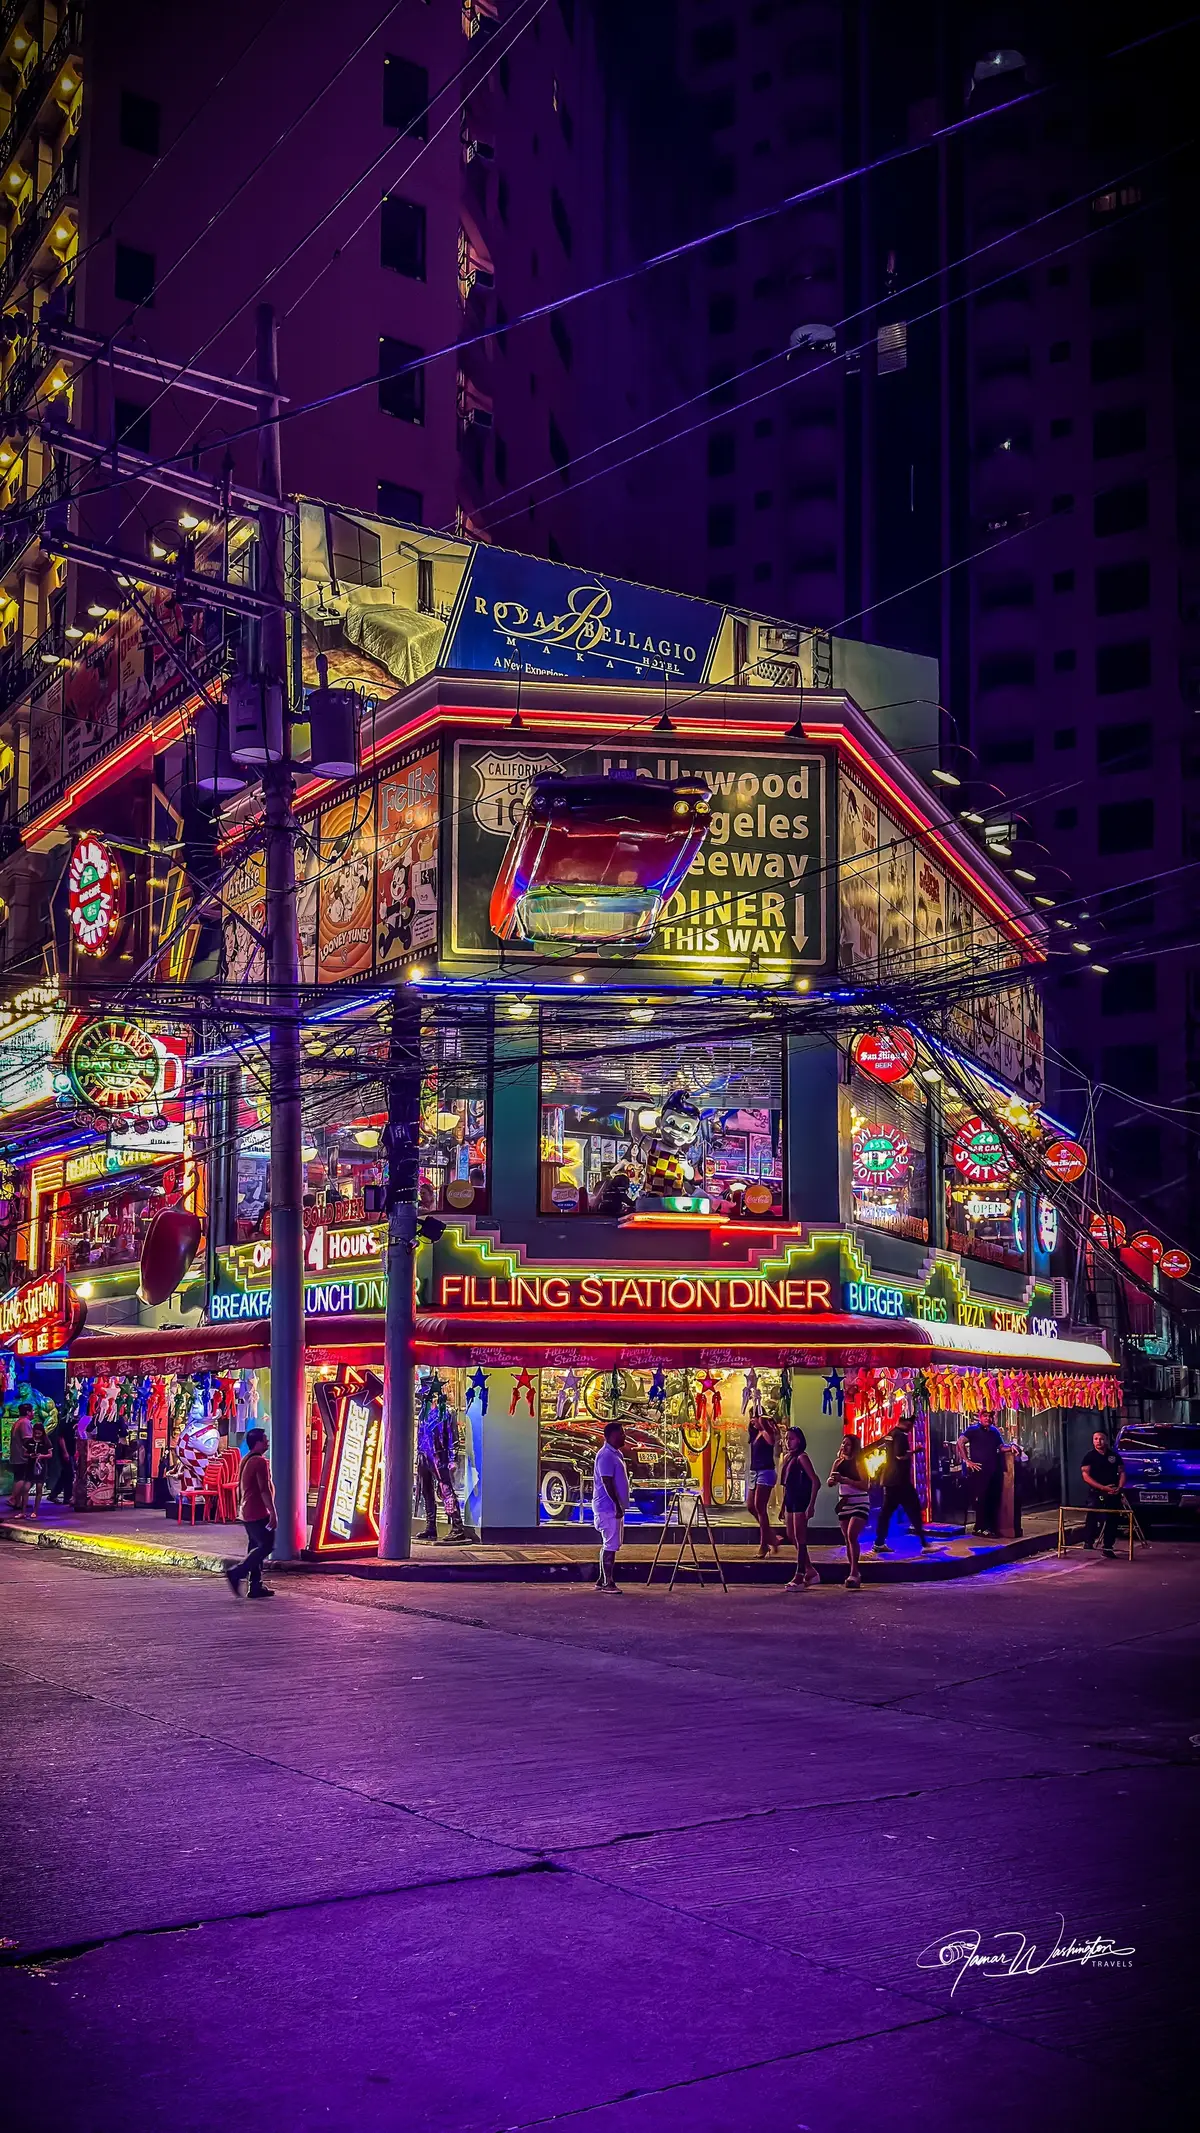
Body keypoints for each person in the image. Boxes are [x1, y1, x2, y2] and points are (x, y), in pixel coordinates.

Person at [224, 1428, 277, 1599]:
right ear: (258, 1442)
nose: (267, 1441)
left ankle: (255, 1586)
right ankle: (237, 1572)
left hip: (246, 1510)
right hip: (257, 1511)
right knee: (266, 1545)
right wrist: (273, 1511)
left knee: (255, 1546)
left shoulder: (246, 1459)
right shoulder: (259, 1462)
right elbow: (264, 1489)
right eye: (265, 1439)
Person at [874, 1425, 929, 1552]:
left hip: (890, 1480)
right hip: (899, 1481)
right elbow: (900, 1455)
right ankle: (925, 1544)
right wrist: (916, 1450)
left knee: (886, 1513)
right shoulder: (900, 1435)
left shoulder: (891, 1433)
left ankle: (879, 1542)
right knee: (914, 1510)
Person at [827, 1433, 871, 1590]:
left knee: (852, 1534)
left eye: (848, 1444)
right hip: (844, 1503)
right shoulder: (838, 1462)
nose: (844, 1446)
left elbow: (865, 1485)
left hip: (860, 1502)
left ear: (854, 1447)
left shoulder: (859, 1462)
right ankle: (854, 1571)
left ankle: (854, 1572)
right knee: (847, 1538)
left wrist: (845, 1480)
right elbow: (830, 1481)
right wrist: (832, 1481)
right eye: (843, 1443)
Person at [780, 1426, 821, 1590]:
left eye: (791, 1438)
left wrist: (811, 1505)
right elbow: (786, 1484)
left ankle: (800, 1574)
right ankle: (810, 1570)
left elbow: (815, 1481)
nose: (788, 1441)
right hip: (790, 1499)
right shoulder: (788, 1458)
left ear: (799, 1440)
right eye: (786, 1438)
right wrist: (783, 1505)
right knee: (791, 1535)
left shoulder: (802, 1457)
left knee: (800, 1537)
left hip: (800, 1500)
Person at [592, 1419, 630, 1592]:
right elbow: (607, 1482)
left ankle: (602, 1580)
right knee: (611, 1545)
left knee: (609, 1543)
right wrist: (617, 1505)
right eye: (621, 1433)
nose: (624, 1436)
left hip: (611, 1507)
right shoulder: (606, 1455)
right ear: (612, 1436)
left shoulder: (615, 1453)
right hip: (608, 1508)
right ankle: (609, 1583)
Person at [1081, 1430, 1126, 1557]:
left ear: (1106, 1440)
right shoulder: (1089, 1456)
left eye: (1101, 1439)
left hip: (1112, 1492)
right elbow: (1085, 1475)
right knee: (1092, 1516)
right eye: (1095, 1439)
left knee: (1113, 1519)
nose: (1098, 1441)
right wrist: (1102, 1488)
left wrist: (1120, 1487)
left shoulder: (1114, 1456)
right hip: (1096, 1492)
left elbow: (1122, 1472)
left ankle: (1108, 1547)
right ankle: (1088, 1541)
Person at [958, 1417, 1006, 1536]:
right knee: (981, 1499)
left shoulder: (994, 1431)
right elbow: (960, 1442)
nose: (988, 1418)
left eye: (990, 1416)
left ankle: (987, 1527)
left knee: (992, 1499)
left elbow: (1001, 1447)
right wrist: (967, 1461)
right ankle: (981, 1528)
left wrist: (1012, 1447)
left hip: (993, 1470)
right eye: (985, 1415)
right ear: (980, 1417)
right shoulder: (973, 1429)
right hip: (979, 1470)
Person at [746, 1411, 781, 1557]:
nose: (752, 1420)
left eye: (754, 1417)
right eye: (751, 1418)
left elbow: (773, 1440)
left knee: (760, 1507)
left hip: (766, 1472)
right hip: (754, 1472)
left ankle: (764, 1544)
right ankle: (771, 1537)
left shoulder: (767, 1433)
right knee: (751, 1506)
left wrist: (766, 1422)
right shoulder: (755, 1433)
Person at [6, 1403, 35, 1515]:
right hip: (22, 1456)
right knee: (22, 1478)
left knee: (18, 1477)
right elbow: (27, 1441)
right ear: (28, 1412)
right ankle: (13, 1498)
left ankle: (19, 1502)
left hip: (16, 1455)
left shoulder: (18, 1422)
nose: (33, 1413)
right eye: (32, 1411)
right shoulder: (25, 1423)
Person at [49, 1410, 76, 1506]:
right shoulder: (65, 1422)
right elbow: (61, 1438)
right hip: (66, 1451)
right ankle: (67, 1497)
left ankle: (54, 1494)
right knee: (69, 1474)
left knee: (65, 1474)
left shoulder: (76, 1422)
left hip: (72, 1451)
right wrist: (65, 1452)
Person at [26, 1420, 52, 1519]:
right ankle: (23, 1511)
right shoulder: (29, 1441)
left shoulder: (46, 1441)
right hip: (30, 1467)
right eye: (35, 1433)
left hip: (41, 1467)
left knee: (39, 1489)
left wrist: (42, 1456)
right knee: (25, 1488)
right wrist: (30, 1455)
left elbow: (50, 1455)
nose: (37, 1435)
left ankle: (35, 1511)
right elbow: (24, 1453)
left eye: (39, 1433)